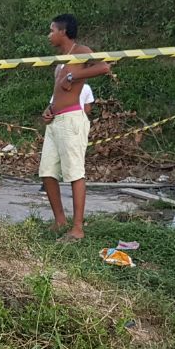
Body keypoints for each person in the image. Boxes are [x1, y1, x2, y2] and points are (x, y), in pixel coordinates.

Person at [38, 14, 110, 242]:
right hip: (55, 120)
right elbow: (58, 90)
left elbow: (104, 67)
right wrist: (49, 108)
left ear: (63, 31)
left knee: (75, 172)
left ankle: (77, 228)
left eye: (52, 30)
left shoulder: (81, 51)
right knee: (47, 172)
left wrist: (73, 74)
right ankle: (60, 220)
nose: (49, 35)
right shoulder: (60, 58)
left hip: (72, 120)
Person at [41, 82, 93, 195]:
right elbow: (52, 105)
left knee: (74, 170)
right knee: (51, 167)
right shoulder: (61, 85)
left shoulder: (83, 87)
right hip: (57, 123)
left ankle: (77, 198)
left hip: (72, 122)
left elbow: (86, 109)